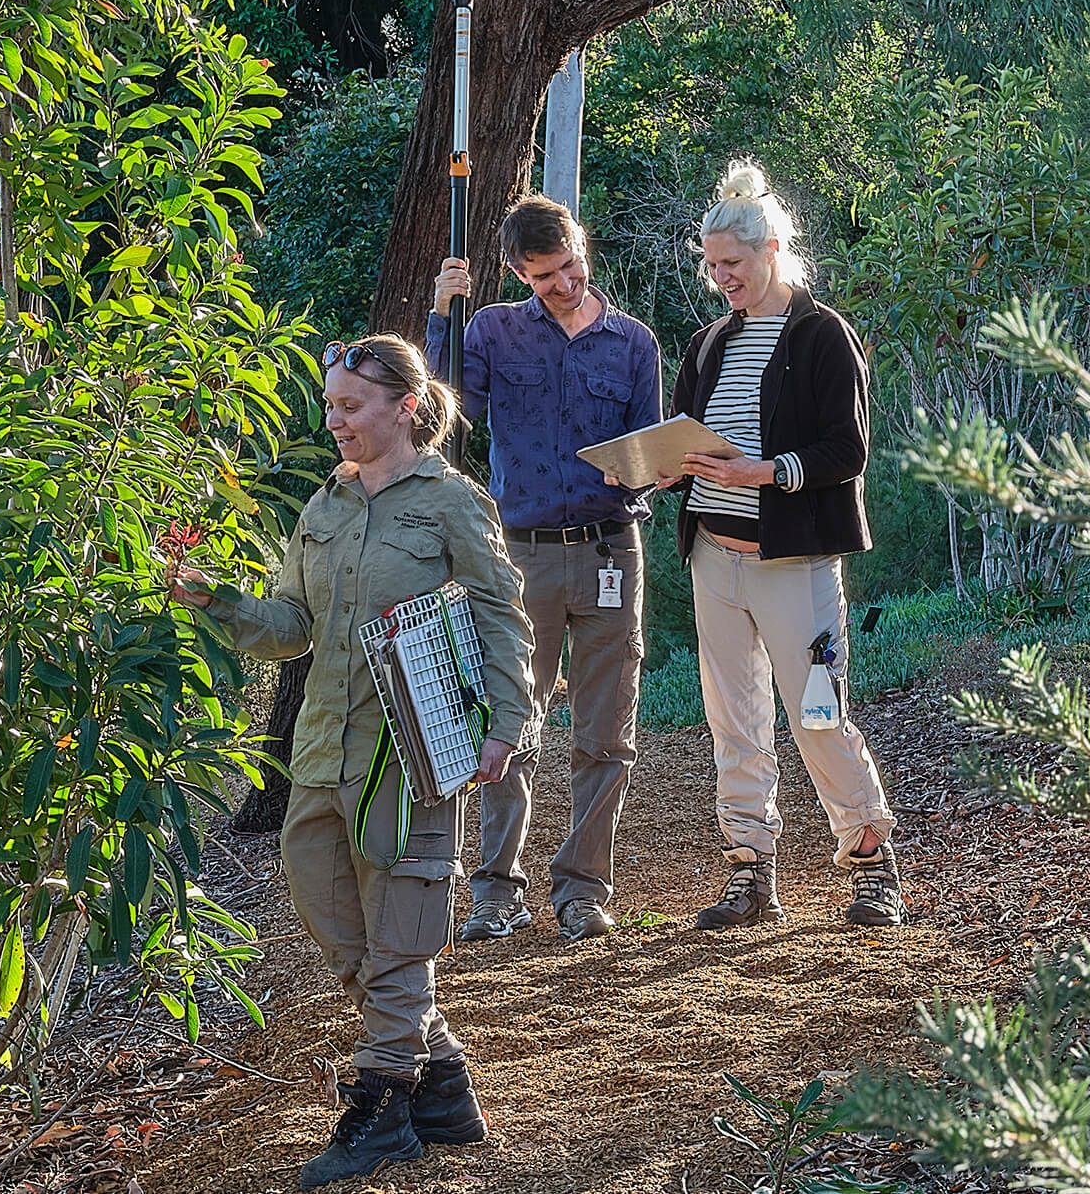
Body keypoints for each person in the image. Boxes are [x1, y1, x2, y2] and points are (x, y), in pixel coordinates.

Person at [170, 334, 535, 1189]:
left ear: (404, 408)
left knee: (402, 941)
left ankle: (380, 1111)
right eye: (331, 405)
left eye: (350, 406)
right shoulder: (323, 508)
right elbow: (293, 623)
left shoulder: (450, 503)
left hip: (409, 756)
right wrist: (218, 601)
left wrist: (507, 724)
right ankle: (440, 1082)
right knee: (341, 930)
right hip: (321, 757)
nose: (334, 420)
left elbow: (502, 615)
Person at [662, 159, 904, 929]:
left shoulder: (824, 334)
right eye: (711, 267)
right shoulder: (707, 345)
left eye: (730, 264)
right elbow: (685, 443)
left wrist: (763, 471)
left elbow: (849, 450)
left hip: (795, 558)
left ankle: (871, 863)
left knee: (819, 712)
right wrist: (650, 470)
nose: (720, 278)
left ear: (771, 249)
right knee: (733, 720)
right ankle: (750, 872)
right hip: (714, 555)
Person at [426, 196, 663, 943]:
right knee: (509, 728)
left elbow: (652, 451)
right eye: (544, 276)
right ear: (516, 273)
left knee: (605, 733)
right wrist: (442, 315)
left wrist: (641, 474)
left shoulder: (633, 343)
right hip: (518, 555)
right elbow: (438, 411)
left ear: (582, 245)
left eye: (570, 266)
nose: (563, 283)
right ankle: (496, 888)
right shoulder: (492, 330)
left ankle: (585, 887)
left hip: (609, 550)